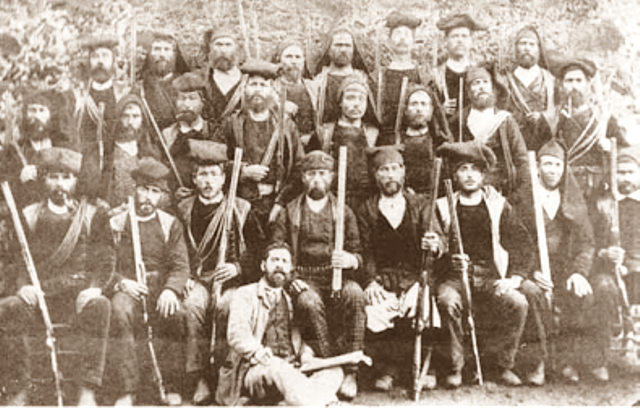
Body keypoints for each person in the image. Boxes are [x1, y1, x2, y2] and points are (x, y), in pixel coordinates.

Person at [0, 147, 113, 406]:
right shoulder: (28, 215)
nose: (59, 184)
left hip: (77, 297)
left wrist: (95, 287)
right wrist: (22, 287)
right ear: (43, 180)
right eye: (53, 177)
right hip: (39, 297)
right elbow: (16, 260)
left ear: (76, 180)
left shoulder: (93, 214)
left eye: (66, 177)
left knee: (101, 305)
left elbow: (106, 258)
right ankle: (19, 388)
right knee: (10, 307)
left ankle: (87, 390)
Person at [435, 141, 537, 388]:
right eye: (463, 169)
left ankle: (503, 365)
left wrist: (514, 278)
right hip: (454, 279)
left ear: (483, 175)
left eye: (475, 169)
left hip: (491, 277)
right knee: (447, 301)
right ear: (455, 175)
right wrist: (448, 258)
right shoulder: (442, 206)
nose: (469, 175)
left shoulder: (498, 205)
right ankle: (456, 367)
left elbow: (523, 244)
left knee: (517, 302)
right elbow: (435, 247)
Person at [271, 150, 366, 400]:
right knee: (308, 302)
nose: (316, 179)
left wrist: (350, 260)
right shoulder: (290, 211)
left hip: (336, 276)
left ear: (332, 177)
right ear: (303, 177)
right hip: (303, 277)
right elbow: (277, 250)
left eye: (322, 174)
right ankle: (330, 365)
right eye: (311, 174)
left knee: (356, 294)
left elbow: (359, 253)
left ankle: (351, 371)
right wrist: (291, 279)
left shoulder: (343, 211)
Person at [175, 140, 263, 403]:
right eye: (202, 174)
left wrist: (237, 268)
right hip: (197, 278)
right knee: (191, 306)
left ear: (224, 178)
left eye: (214, 174)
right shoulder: (184, 209)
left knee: (229, 307)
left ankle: (226, 377)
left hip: (231, 281)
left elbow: (259, 250)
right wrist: (185, 276)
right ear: (194, 178)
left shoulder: (241, 208)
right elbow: (176, 249)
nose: (208, 180)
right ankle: (199, 377)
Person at [356, 146, 445, 391]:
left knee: (422, 309)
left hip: (416, 277)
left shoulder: (421, 204)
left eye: (395, 169)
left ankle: (426, 367)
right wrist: (370, 281)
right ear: (375, 175)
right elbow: (365, 250)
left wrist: (435, 243)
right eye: (384, 170)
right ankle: (388, 369)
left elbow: (440, 238)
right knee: (375, 311)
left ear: (403, 172)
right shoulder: (367, 209)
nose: (390, 175)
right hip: (383, 278)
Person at [108, 157, 195, 405]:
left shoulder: (170, 223)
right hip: (129, 287)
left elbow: (180, 265)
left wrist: (171, 290)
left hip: (160, 286)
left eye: (155, 191)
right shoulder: (116, 222)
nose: (148, 197)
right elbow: (104, 264)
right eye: (144, 189)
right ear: (134, 189)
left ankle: (170, 384)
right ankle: (127, 389)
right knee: (120, 311)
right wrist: (121, 282)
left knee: (176, 313)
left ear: (162, 196)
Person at [217, 242, 344, 406]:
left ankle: (295, 401)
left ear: (291, 269)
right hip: (256, 368)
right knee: (278, 367)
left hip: (292, 368)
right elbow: (237, 334)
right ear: (263, 265)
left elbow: (300, 338)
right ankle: (323, 402)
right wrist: (257, 351)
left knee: (334, 371)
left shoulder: (292, 298)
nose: (279, 265)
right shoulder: (245, 294)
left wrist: (306, 355)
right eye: (274, 260)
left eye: (284, 261)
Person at [528, 139, 603, 383]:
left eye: (557, 165)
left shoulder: (573, 198)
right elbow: (514, 243)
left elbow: (587, 242)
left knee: (581, 295)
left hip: (565, 270)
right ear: (537, 167)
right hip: (535, 270)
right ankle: (537, 363)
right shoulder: (523, 198)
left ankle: (567, 361)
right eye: (547, 164)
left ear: (564, 168)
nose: (552, 170)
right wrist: (531, 272)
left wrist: (579, 272)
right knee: (533, 295)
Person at [216, 60, 304, 233]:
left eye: (263, 85)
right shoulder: (231, 124)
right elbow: (215, 162)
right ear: (244, 89)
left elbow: (299, 167)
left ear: (272, 90)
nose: (257, 90)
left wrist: (280, 203)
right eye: (253, 84)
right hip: (239, 205)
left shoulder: (286, 126)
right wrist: (241, 171)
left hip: (276, 205)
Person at [449, 66, 531, 217]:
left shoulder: (506, 121)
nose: (481, 87)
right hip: (467, 194)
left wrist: (517, 196)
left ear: (492, 88)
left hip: (503, 193)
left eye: (485, 82)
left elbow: (522, 160)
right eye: (476, 83)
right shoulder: (458, 121)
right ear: (468, 91)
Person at [590, 143, 640, 381]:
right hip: (606, 270)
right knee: (603, 288)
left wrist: (630, 263)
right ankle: (600, 359)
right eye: (620, 172)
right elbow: (588, 242)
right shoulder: (602, 204)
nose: (626, 178)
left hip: (636, 268)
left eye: (631, 172)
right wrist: (605, 253)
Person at [553, 58, 627, 205]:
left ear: (588, 84)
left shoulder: (603, 117)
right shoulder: (553, 117)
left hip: (597, 186)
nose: (574, 86)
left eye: (579, 81)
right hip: (564, 184)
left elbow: (624, 151)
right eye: (569, 81)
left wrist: (610, 147)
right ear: (561, 85)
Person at [311, 75, 380, 208]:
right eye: (350, 97)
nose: (356, 103)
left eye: (361, 99)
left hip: (366, 201)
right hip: (331, 198)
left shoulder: (374, 134)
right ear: (340, 102)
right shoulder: (324, 133)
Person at [75, 35, 128, 199]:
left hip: (115, 162)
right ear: (88, 62)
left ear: (113, 61)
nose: (100, 61)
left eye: (105, 56)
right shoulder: (78, 95)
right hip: (86, 163)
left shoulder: (124, 93)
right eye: (95, 57)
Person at [379, 84, 452, 196]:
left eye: (424, 104)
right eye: (414, 104)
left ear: (431, 110)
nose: (419, 109)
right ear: (405, 110)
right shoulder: (393, 142)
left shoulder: (440, 142)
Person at [8, 90, 74, 207]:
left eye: (42, 110)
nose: (37, 116)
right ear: (25, 114)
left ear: (50, 114)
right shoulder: (14, 149)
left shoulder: (64, 145)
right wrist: (19, 179)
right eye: (32, 110)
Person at [375, 11, 431, 139]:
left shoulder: (424, 76)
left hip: (417, 137)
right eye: (398, 33)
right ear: (389, 41)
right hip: (384, 139)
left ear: (413, 41)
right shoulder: (378, 76)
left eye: (406, 34)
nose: (402, 38)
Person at [311, 26, 379, 127]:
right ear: (328, 49)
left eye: (347, 45)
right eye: (338, 45)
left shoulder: (364, 80)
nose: (343, 49)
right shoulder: (317, 83)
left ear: (354, 49)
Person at [101, 93, 160, 209]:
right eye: (125, 116)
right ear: (118, 119)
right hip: (113, 210)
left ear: (142, 120)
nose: (130, 121)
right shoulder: (105, 151)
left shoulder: (151, 152)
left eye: (135, 116)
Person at [501, 26, 555, 152]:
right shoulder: (505, 79)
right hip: (513, 143)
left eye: (532, 44)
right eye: (523, 43)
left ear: (538, 49)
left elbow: (557, 111)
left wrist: (542, 117)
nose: (527, 48)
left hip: (543, 143)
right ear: (515, 48)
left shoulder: (549, 79)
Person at [163, 72, 214, 193]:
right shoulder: (167, 135)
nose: (186, 104)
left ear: (203, 102)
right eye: (182, 98)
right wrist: (173, 191)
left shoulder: (214, 132)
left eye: (192, 98)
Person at [433, 14, 487, 119]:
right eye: (455, 36)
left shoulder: (480, 72)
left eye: (464, 36)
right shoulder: (437, 75)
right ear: (445, 40)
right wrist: (440, 110)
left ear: (471, 40)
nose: (460, 40)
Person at [139, 30, 191, 132]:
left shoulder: (187, 85)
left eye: (167, 49)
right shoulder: (140, 87)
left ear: (175, 54)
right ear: (149, 54)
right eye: (157, 49)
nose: (162, 54)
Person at [272, 40, 317, 149]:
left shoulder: (314, 87)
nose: (293, 61)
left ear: (303, 61)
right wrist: (278, 106)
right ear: (279, 60)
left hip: (310, 143)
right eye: (288, 57)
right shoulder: (270, 87)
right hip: (282, 144)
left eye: (298, 57)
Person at [199, 27, 246, 130]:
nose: (223, 50)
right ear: (210, 48)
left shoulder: (247, 81)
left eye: (228, 45)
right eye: (218, 45)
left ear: (237, 49)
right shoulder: (201, 80)